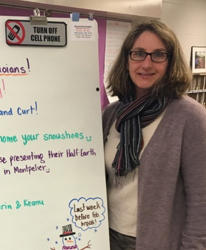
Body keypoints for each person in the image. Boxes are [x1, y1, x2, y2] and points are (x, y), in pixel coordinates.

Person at [103, 19, 206, 249]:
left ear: (171, 62)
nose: (146, 64)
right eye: (138, 53)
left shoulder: (191, 118)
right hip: (104, 235)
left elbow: (201, 201)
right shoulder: (112, 114)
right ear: (127, 59)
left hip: (154, 242)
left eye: (158, 54)